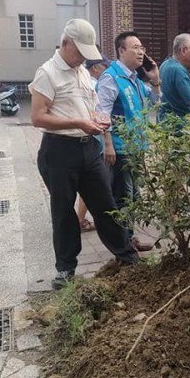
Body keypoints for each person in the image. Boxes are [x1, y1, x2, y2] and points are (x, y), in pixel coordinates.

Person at [29, 19, 138, 289]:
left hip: (88, 149)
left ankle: (127, 256)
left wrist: (101, 125)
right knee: (63, 211)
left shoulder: (82, 74)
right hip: (59, 151)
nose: (82, 60)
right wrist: (78, 123)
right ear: (65, 43)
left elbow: (92, 108)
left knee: (106, 204)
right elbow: (37, 117)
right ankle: (66, 269)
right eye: (79, 53)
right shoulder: (47, 73)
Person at [96, 31, 161, 252]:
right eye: (135, 47)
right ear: (121, 50)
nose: (141, 52)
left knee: (133, 196)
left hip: (136, 148)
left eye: (142, 47)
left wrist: (155, 81)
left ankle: (128, 240)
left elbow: (154, 102)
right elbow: (102, 113)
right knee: (123, 197)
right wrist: (108, 144)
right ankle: (123, 248)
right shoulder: (111, 78)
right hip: (120, 149)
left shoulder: (134, 79)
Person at [75, 54, 111, 232]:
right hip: (95, 138)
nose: (106, 69)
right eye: (105, 66)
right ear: (96, 68)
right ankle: (80, 219)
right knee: (93, 182)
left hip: (88, 138)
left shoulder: (87, 81)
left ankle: (79, 219)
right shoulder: (95, 84)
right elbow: (101, 115)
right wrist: (107, 141)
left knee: (91, 183)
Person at [159, 33, 190, 120]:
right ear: (183, 50)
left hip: (164, 121)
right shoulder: (179, 70)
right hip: (178, 126)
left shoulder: (165, 64)